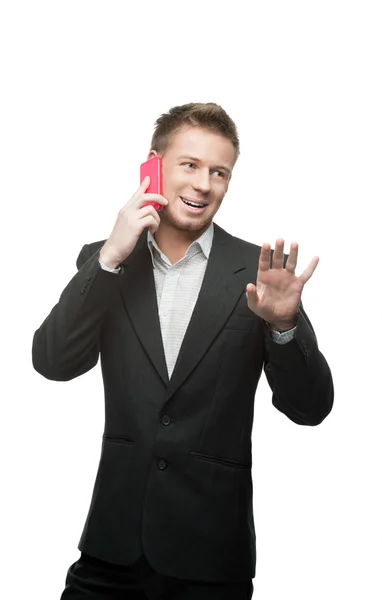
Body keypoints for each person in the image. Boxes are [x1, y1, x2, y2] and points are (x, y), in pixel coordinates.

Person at [32, 102, 334, 599]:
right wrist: (111, 253)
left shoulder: (257, 271)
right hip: (112, 549)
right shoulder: (106, 260)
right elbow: (53, 362)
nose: (203, 185)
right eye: (189, 165)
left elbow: (311, 408)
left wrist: (284, 324)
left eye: (219, 172)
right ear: (153, 165)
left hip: (212, 557)